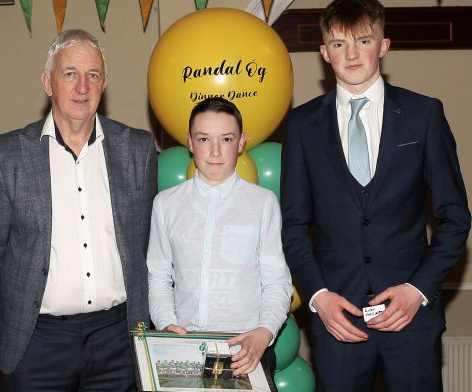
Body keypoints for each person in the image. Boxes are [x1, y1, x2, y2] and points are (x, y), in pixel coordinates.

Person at [280, 0, 471, 390]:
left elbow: (455, 217)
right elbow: (294, 226)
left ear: (383, 45)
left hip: (412, 320)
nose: (350, 54)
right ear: (323, 53)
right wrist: (318, 297)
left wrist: (417, 290)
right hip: (338, 320)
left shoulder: (424, 114)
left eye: (363, 41)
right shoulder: (301, 125)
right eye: (337, 44)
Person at [0, 29, 157, 391]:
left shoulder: (137, 150)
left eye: (93, 75)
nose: (82, 88)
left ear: (104, 84)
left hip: (118, 340)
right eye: (69, 74)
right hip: (37, 343)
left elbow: (145, 245)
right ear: (47, 82)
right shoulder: (8, 155)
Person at [147, 97, 292, 383]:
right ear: (190, 142)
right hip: (183, 347)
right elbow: (158, 275)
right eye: (204, 139)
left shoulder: (263, 203)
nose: (214, 151)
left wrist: (264, 333)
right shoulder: (166, 204)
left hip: (246, 350)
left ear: (241, 143)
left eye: (226, 139)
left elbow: (277, 281)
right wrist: (166, 324)